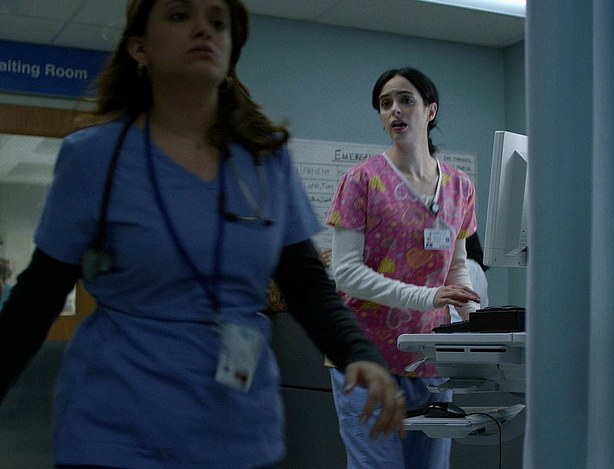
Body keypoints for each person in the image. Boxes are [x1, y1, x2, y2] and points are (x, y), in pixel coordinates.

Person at [0, 1, 404, 468]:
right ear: (139, 48)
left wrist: (358, 352)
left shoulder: (264, 161)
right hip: (116, 429)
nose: (202, 30)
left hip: (238, 430)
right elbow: (37, 297)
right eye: (178, 16)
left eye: (217, 22)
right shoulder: (95, 158)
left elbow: (307, 283)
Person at [326, 67, 480, 469]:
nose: (394, 109)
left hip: (430, 361)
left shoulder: (460, 187)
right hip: (366, 359)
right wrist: (429, 297)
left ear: (430, 110)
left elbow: (456, 270)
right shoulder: (361, 181)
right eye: (385, 103)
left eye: (405, 100)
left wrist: (479, 324)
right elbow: (346, 274)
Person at [449, 233, 489, 323]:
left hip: (450, 324)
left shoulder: (468, 267)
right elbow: (482, 304)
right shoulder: (477, 268)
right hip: (468, 324)